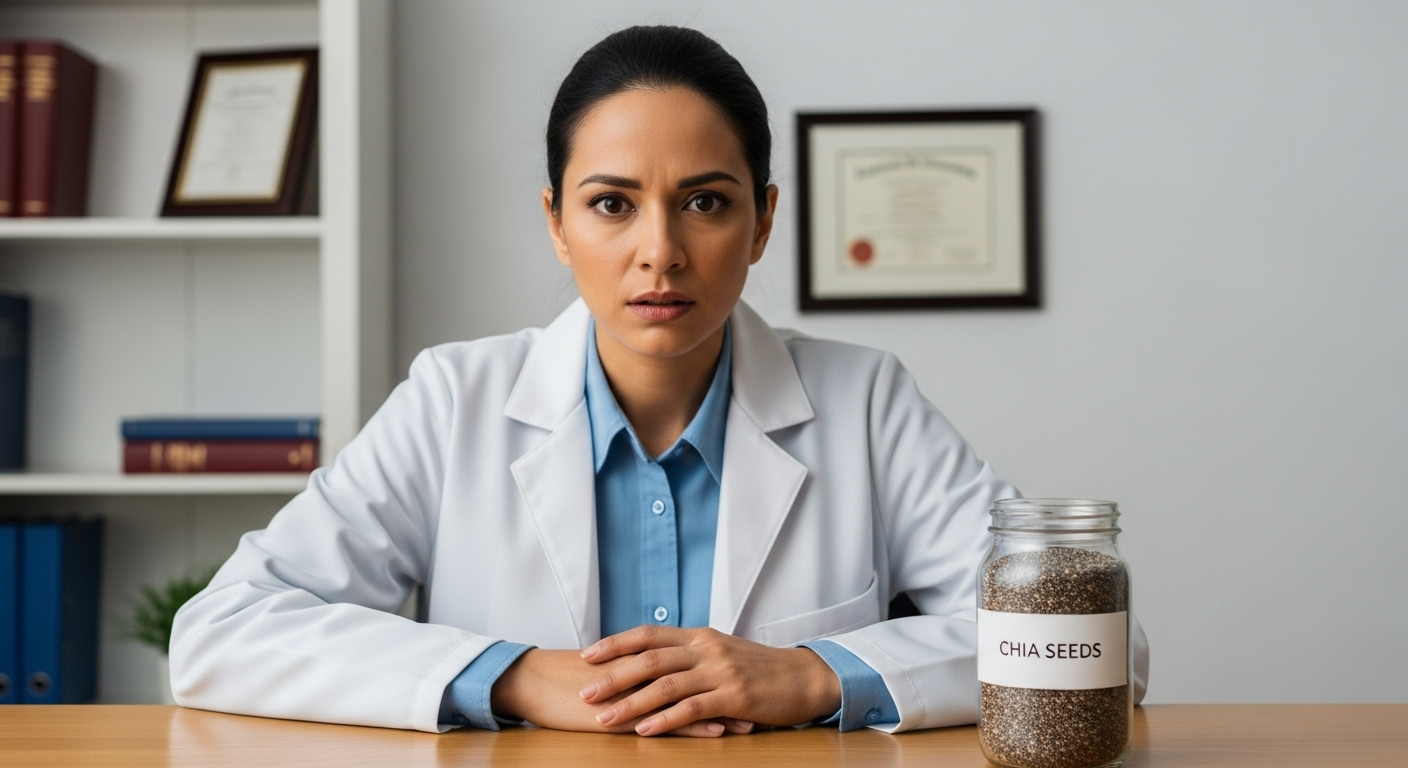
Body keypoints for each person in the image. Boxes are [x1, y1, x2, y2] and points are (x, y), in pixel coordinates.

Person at [170, 25, 1147, 737]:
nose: (659, 253)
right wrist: (509, 677)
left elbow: (1098, 651)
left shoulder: (865, 401)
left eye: (705, 203)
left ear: (761, 222)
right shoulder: (453, 398)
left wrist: (814, 676)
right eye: (611, 204)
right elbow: (223, 633)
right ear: (557, 221)